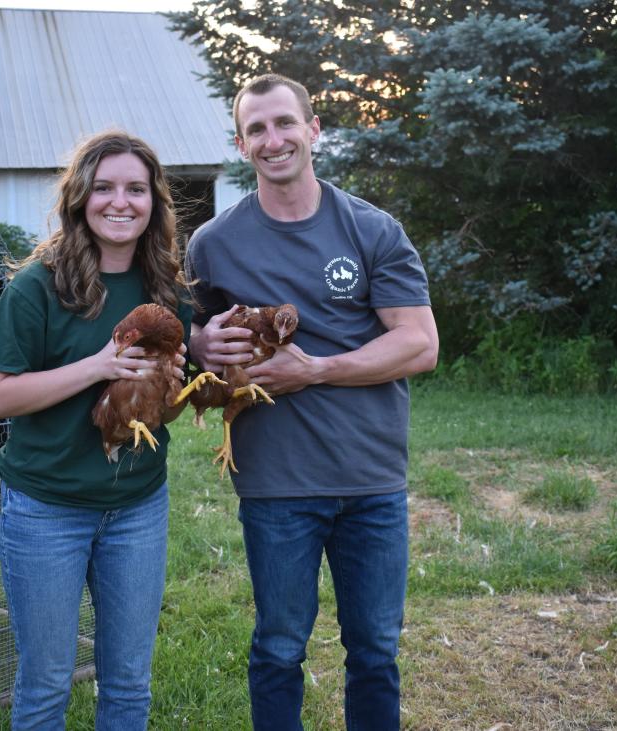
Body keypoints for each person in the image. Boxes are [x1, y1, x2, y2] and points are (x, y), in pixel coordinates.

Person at [186, 74, 439, 730]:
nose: (274, 140)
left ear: (313, 129)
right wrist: (201, 344)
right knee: (278, 648)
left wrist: (314, 369)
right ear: (241, 144)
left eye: (284, 123)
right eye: (257, 130)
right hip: (276, 485)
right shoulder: (213, 244)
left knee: (376, 650)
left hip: (371, 480)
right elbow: (194, 341)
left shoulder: (371, 229)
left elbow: (419, 344)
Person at [0, 130, 192, 731]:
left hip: (136, 506)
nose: (119, 202)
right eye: (103, 188)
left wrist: (168, 389)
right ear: (80, 198)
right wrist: (98, 365)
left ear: (154, 202)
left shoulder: (168, 292)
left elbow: (159, 415)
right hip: (48, 508)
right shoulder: (37, 286)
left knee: (128, 683)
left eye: (135, 189)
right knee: (46, 684)